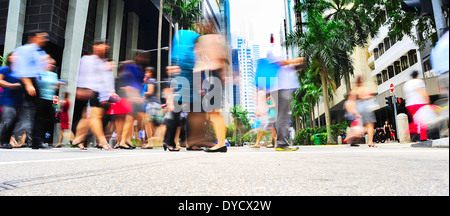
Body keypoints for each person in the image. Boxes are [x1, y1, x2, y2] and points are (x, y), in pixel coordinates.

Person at [71, 39, 113, 150]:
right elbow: (82, 74)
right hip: (88, 90)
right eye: (99, 45)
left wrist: (109, 93)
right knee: (95, 116)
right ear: (94, 47)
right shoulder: (87, 59)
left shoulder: (104, 62)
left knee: (86, 117)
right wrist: (80, 88)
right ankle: (102, 141)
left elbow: (106, 79)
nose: (102, 48)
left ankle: (78, 138)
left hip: (98, 91)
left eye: (104, 46)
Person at [13, 29, 51, 149]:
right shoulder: (25, 50)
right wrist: (28, 84)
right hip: (26, 82)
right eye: (42, 37)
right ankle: (8, 137)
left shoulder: (38, 52)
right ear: (33, 37)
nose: (44, 39)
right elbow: (23, 68)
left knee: (39, 114)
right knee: (21, 113)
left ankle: (36, 141)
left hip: (34, 83)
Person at [33, 55, 60, 147]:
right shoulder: (40, 72)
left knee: (46, 120)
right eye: (50, 63)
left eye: (53, 64)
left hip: (50, 99)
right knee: (39, 119)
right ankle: (36, 141)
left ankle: (41, 140)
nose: (52, 65)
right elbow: (37, 83)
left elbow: (55, 88)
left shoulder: (54, 75)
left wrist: (57, 84)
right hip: (41, 98)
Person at [0, 52, 23, 149]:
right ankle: (2, 141)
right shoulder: (5, 69)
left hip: (18, 99)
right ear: (9, 58)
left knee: (14, 120)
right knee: (8, 119)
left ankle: (5, 141)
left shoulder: (20, 71)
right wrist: (12, 85)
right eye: (14, 55)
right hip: (7, 99)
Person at [346, 76, 377, 148]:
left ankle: (350, 135)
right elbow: (369, 96)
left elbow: (351, 100)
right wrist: (367, 96)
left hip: (358, 108)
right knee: (370, 125)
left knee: (360, 125)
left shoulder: (354, 90)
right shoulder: (364, 89)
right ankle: (370, 141)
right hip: (366, 107)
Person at [403, 70, 434, 141]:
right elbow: (422, 91)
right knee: (424, 120)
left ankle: (413, 132)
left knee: (417, 120)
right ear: (417, 75)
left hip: (409, 105)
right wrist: (428, 99)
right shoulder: (419, 81)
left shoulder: (407, 84)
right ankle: (422, 136)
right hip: (419, 103)